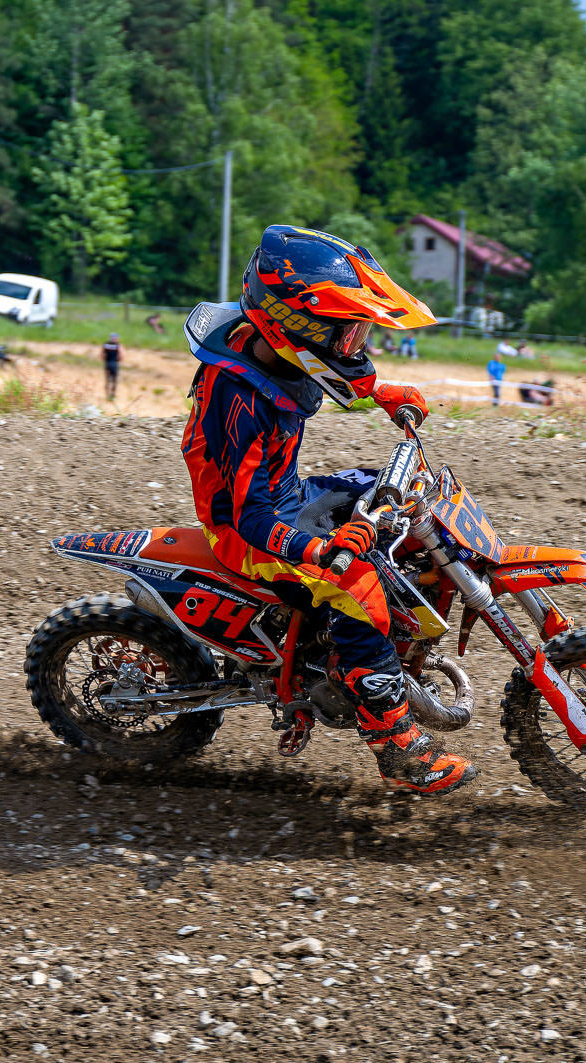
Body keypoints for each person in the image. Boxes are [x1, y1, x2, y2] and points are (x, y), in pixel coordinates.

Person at [181, 224, 477, 795]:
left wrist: (381, 391)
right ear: (295, 326)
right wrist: (323, 550)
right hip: (247, 528)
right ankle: (394, 746)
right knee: (357, 585)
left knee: (395, 496)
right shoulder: (236, 397)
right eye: (348, 334)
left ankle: (382, 641)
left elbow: (334, 366)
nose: (356, 347)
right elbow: (251, 518)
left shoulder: (275, 349)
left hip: (286, 495)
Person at [102, 333, 122, 400]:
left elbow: (101, 355)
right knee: (114, 380)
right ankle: (113, 395)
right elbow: (121, 355)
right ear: (116, 338)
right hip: (114, 364)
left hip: (107, 364)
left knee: (107, 380)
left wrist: (106, 360)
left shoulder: (106, 344)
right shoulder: (118, 345)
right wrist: (118, 360)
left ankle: (107, 395)